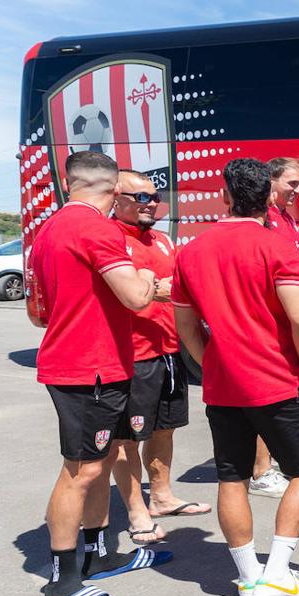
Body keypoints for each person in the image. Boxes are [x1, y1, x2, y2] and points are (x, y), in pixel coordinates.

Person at [173, 157, 299, 596]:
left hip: (224, 385)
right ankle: (277, 574)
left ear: (225, 197)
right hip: (279, 380)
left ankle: (247, 579)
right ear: (269, 198)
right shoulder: (277, 246)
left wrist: (211, 364)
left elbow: (186, 328)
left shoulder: (191, 251)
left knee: (232, 477)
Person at [30, 151, 170, 596]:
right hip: (87, 368)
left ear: (68, 184)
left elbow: (39, 313)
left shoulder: (48, 229)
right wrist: (147, 277)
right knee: (82, 470)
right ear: (113, 192)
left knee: (102, 460)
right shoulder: (99, 229)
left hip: (83, 362)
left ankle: (96, 552)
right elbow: (135, 297)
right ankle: (62, 577)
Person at [109, 170, 209, 547]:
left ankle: (162, 496)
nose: (151, 203)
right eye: (141, 197)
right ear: (116, 197)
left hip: (168, 350)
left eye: (155, 196)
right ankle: (136, 511)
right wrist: (154, 290)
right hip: (132, 355)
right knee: (126, 438)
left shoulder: (164, 240)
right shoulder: (111, 239)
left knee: (164, 429)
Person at [246, 156, 299, 499]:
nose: (298, 190)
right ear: (271, 182)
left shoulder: (286, 219)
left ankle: (269, 464)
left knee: (279, 394)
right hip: (268, 324)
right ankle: (260, 472)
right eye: (292, 183)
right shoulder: (263, 220)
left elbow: (290, 270)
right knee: (267, 396)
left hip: (285, 319)